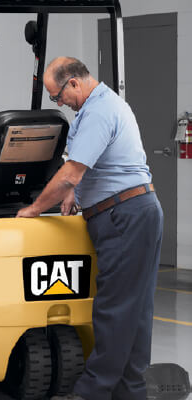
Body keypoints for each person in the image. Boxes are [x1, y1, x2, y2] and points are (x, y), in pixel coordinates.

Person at [17, 57, 163, 400]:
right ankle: (131, 392)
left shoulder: (99, 111)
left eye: (57, 96)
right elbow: (84, 173)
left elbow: (71, 173)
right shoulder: (101, 106)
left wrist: (37, 208)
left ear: (74, 84)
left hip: (124, 216)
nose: (59, 104)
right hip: (135, 211)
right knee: (135, 312)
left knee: (114, 310)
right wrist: (74, 196)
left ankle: (90, 394)